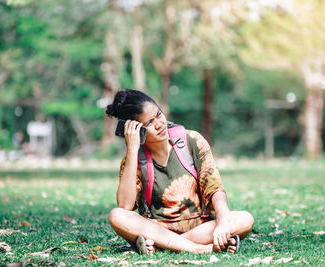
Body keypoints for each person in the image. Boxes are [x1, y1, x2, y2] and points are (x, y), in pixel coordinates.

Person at [106, 89, 254, 255]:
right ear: (136, 130)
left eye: (159, 114)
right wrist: (132, 149)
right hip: (157, 228)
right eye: (149, 123)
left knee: (245, 219)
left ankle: (164, 246)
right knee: (116, 215)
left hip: (199, 226)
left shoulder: (192, 140)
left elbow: (215, 189)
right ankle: (200, 248)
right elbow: (125, 206)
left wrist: (223, 222)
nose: (160, 124)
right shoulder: (132, 160)